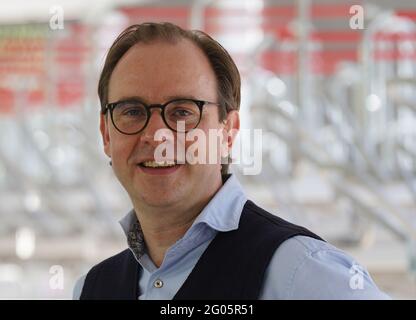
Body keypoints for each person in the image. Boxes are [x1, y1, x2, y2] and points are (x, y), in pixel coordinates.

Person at [73, 22, 389, 300]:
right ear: (106, 134)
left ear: (228, 131)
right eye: (132, 111)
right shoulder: (91, 289)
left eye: (182, 111)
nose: (157, 136)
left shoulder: (303, 276)